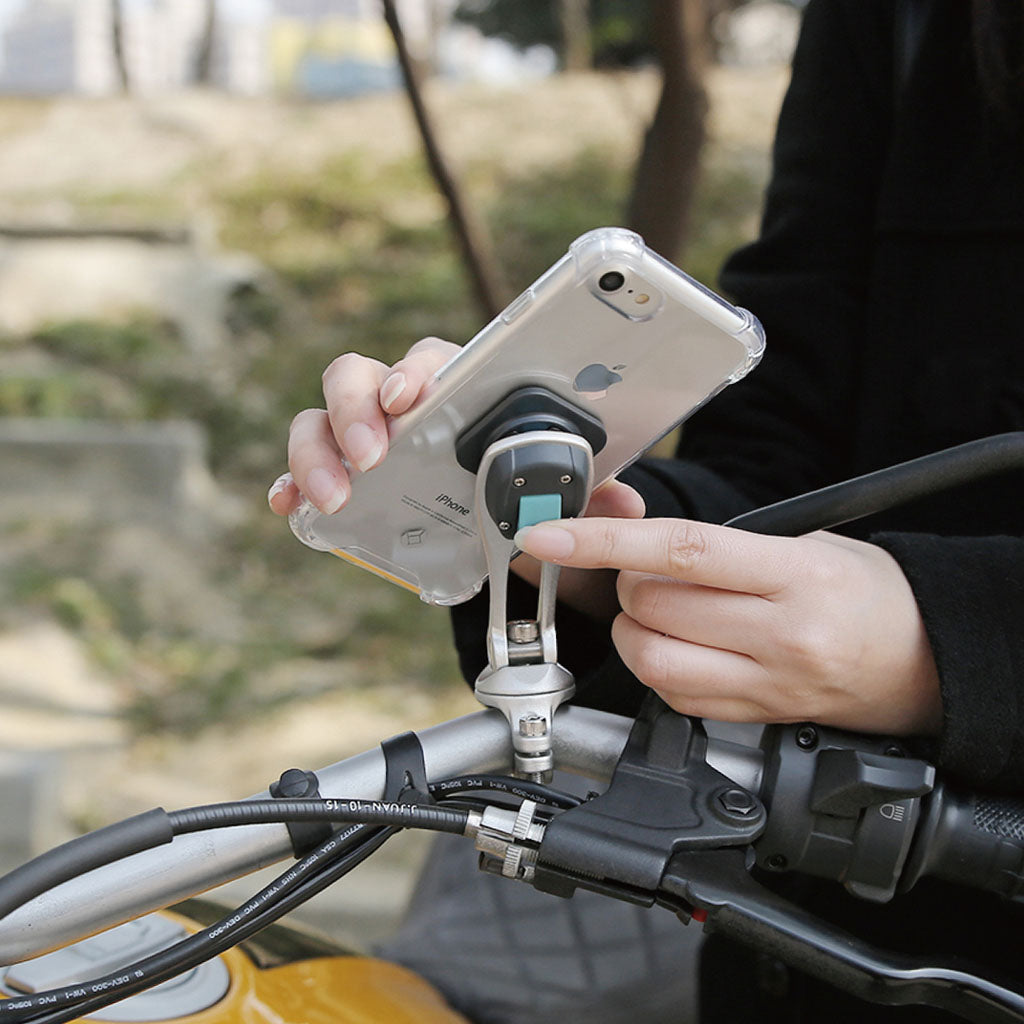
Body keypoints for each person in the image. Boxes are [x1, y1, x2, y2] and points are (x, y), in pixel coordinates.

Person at [270, 0, 1024, 1018]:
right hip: (800, 951)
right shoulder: (901, 22)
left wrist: (949, 644)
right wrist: (578, 540)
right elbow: (775, 458)